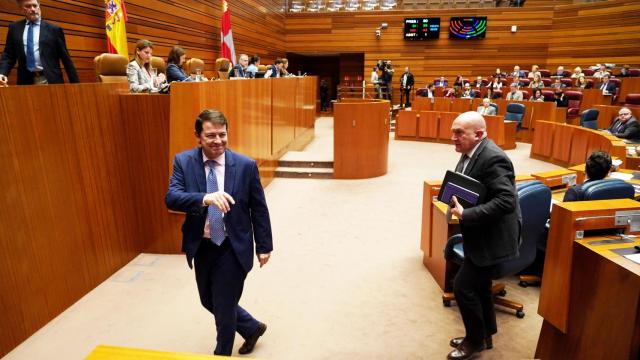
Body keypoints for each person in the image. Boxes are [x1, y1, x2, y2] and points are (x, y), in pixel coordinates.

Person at [165, 109, 273, 356]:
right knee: (208, 300)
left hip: (233, 246)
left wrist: (264, 245)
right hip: (202, 245)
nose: (218, 141)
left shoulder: (245, 165)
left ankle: (221, 353)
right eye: (211, 135)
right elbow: (171, 198)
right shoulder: (183, 161)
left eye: (222, 135)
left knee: (224, 310)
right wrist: (204, 198)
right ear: (198, 136)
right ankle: (251, 327)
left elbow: (258, 208)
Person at [447, 111, 521, 360]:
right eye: (453, 131)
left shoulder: (493, 158)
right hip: (480, 233)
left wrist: (466, 215)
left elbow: (506, 201)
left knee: (463, 288)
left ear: (478, 134)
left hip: (493, 238)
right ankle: (486, 334)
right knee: (479, 286)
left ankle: (474, 341)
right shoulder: (469, 153)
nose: (453, 138)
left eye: (459, 133)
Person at [0, 0, 79, 86]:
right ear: (21, 9)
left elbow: (66, 59)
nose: (33, 9)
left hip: (50, 80)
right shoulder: (14, 28)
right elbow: (8, 55)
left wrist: (76, 85)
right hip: (25, 81)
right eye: (28, 6)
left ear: (39, 6)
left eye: (35, 5)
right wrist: (2, 73)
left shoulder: (54, 30)